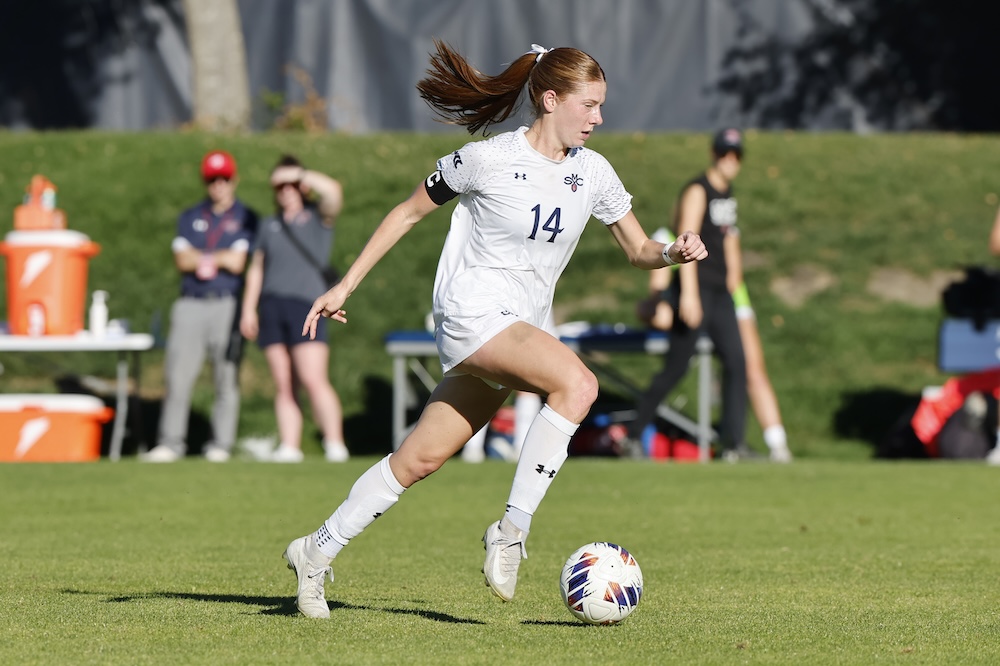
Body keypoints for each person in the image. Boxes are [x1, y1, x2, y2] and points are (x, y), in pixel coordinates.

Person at [280, 41, 708, 618]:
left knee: (419, 460)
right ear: (550, 99)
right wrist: (344, 286)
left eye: (602, 106)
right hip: (471, 313)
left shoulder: (594, 172)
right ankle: (510, 532)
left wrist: (672, 254)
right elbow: (407, 211)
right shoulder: (487, 159)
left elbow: (637, 249)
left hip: (515, 327)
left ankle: (316, 550)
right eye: (590, 105)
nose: (598, 118)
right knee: (578, 385)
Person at [626, 129, 752, 462]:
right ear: (714, 154)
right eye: (725, 154)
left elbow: (727, 239)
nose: (731, 161)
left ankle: (734, 444)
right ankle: (634, 435)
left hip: (721, 292)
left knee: (738, 363)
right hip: (697, 289)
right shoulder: (699, 190)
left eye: (736, 155)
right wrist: (690, 295)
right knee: (676, 368)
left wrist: (733, 279)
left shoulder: (727, 194)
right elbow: (687, 242)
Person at [637, 227, 792, 462]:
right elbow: (655, 299)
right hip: (691, 309)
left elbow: (733, 278)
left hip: (727, 304)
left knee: (749, 368)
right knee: (674, 369)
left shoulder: (721, 228)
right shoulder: (666, 237)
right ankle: (633, 435)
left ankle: (776, 445)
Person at [142, 150, 258, 463]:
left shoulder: (246, 218)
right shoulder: (191, 216)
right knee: (178, 375)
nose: (218, 185)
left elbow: (238, 263)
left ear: (233, 180)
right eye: (212, 179)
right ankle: (171, 442)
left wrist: (204, 257)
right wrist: (218, 257)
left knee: (226, 376)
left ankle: (221, 443)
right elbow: (183, 259)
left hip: (227, 304)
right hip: (191, 302)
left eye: (223, 179)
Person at [239, 155, 350, 463]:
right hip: (272, 306)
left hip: (306, 306)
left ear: (301, 186)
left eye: (290, 185)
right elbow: (257, 268)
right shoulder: (268, 224)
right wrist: (249, 309)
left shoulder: (318, 217)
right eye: (279, 186)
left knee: (313, 379)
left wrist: (300, 173)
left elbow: (333, 192)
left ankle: (335, 443)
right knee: (284, 383)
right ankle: (290, 445)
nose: (285, 191)